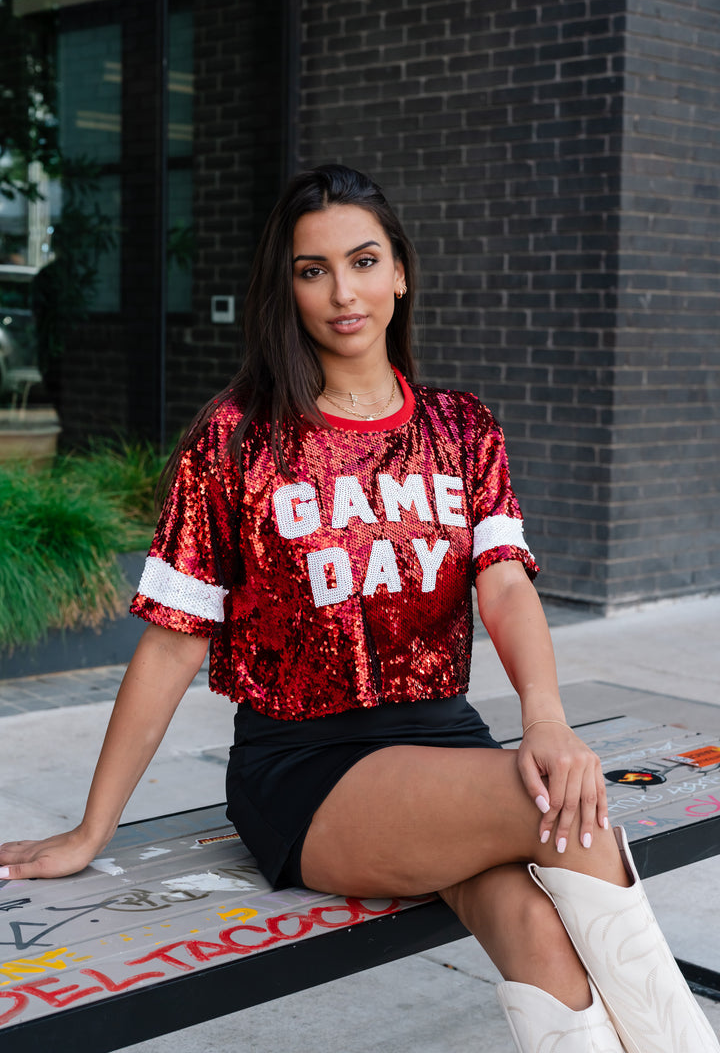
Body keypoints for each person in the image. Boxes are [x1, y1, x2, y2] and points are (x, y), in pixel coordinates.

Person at [0, 165, 716, 1053]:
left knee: (542, 935)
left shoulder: (462, 428)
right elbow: (172, 645)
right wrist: (91, 828)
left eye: (365, 260)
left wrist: (546, 717)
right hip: (307, 766)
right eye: (313, 270)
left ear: (401, 272)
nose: (344, 291)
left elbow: (502, 581)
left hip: (447, 747)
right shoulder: (237, 438)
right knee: (566, 807)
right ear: (287, 288)